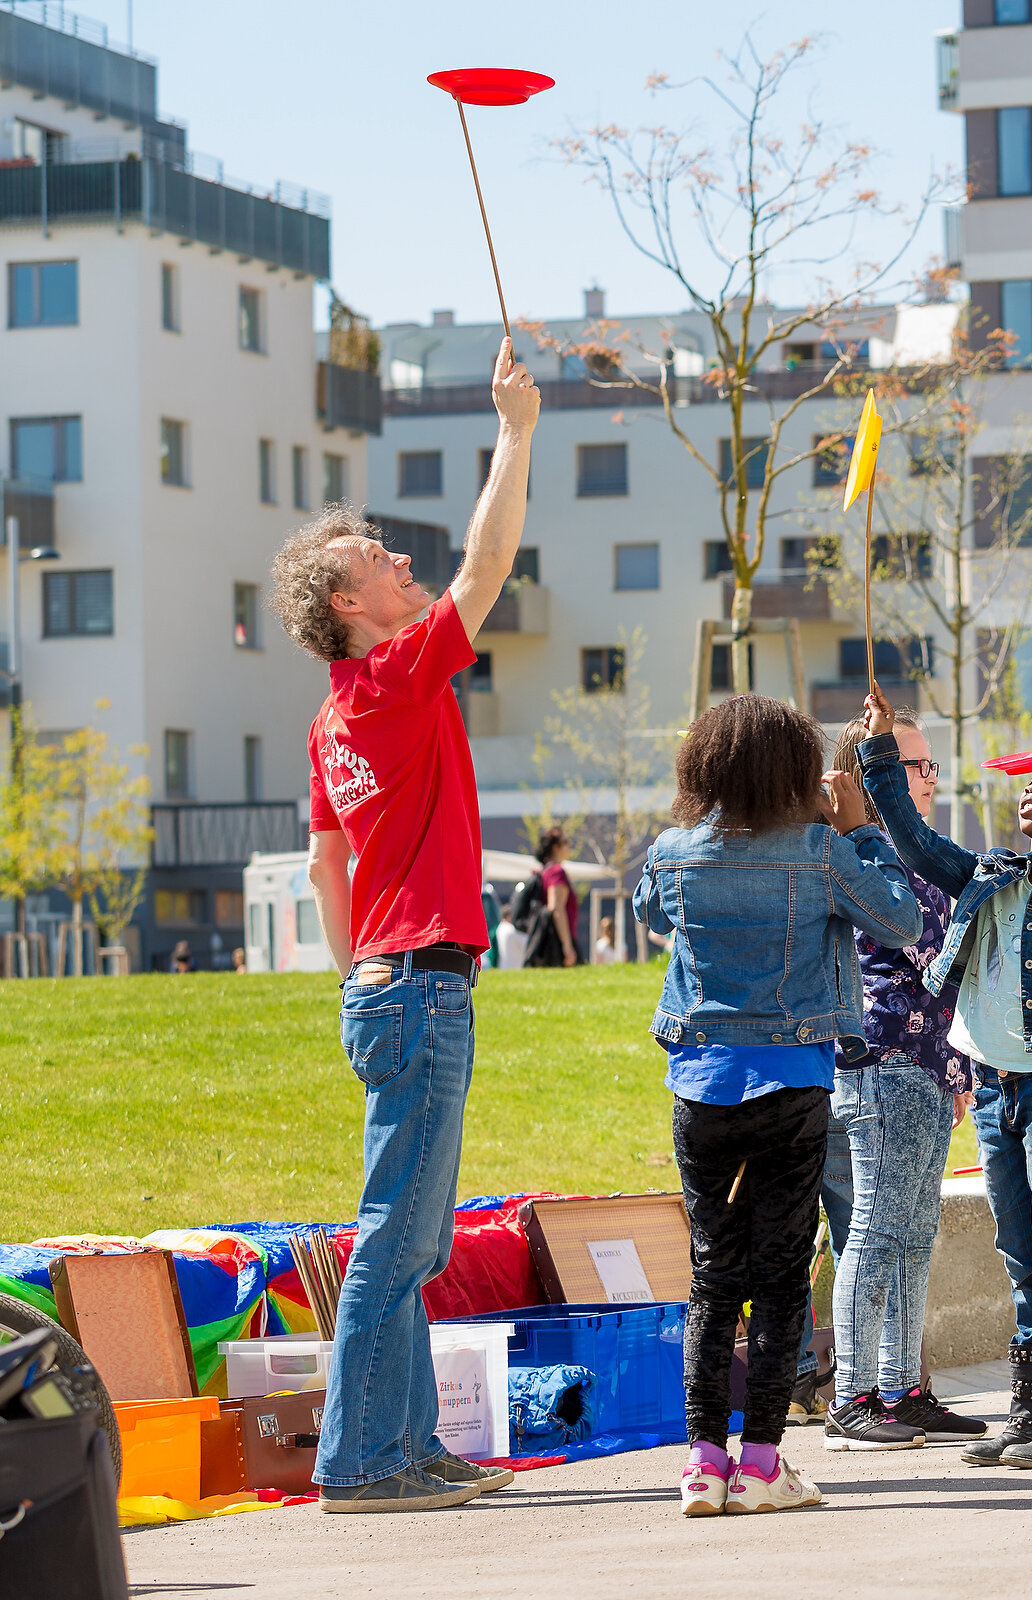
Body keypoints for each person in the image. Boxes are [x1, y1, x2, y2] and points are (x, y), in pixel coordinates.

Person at [276, 339, 538, 1513]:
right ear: (351, 607)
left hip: (388, 984)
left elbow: (328, 864)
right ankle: (360, 1463)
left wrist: (357, 977)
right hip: (416, 987)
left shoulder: (336, 717)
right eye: (373, 557)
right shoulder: (388, 681)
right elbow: (486, 565)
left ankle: (410, 1450)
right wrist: (516, 431)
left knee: (414, 1238)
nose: (396, 556)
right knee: (396, 1239)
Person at [635, 695, 921, 1513]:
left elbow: (650, 912)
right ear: (796, 770)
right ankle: (761, 1463)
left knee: (711, 1277)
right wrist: (862, 827)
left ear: (706, 767)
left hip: (701, 1086)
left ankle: (701, 1462)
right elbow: (899, 922)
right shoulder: (822, 851)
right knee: (782, 1276)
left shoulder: (674, 850)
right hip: (794, 1081)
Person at [855, 687, 1032, 1469]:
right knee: (1020, 1250)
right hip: (993, 1089)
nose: (1030, 789)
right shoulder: (990, 873)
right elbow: (912, 840)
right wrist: (880, 751)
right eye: (1031, 781)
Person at [819, 708, 986, 1453]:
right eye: (915, 765)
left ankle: (900, 1389)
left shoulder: (908, 855)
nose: (929, 780)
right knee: (877, 1230)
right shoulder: (873, 854)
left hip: (921, 1069)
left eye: (929, 766)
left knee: (913, 1234)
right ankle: (851, 1396)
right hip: (883, 1065)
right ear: (870, 777)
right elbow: (933, 957)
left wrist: (958, 1070)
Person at [533, 828, 579, 966]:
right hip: (557, 942)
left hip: (549, 939)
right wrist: (567, 945)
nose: (568, 846)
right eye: (565, 842)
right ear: (555, 847)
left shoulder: (545, 870)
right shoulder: (556, 872)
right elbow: (556, 907)